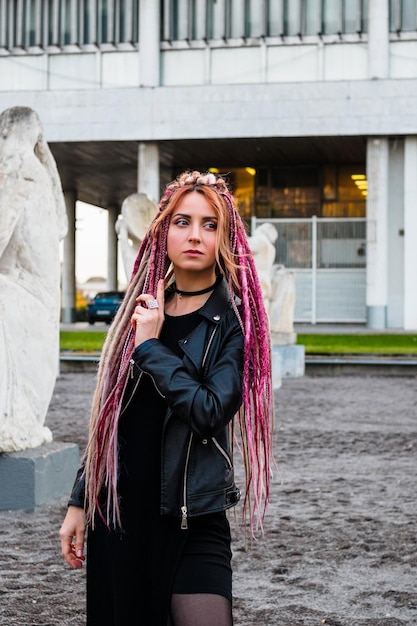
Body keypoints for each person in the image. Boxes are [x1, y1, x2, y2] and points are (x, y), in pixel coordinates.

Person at [59, 170, 274, 626]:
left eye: (209, 225)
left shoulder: (232, 326)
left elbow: (209, 412)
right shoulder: (138, 313)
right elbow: (111, 419)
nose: (195, 235)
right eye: (182, 222)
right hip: (119, 515)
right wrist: (80, 500)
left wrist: (151, 348)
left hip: (190, 518)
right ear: (163, 230)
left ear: (225, 238)